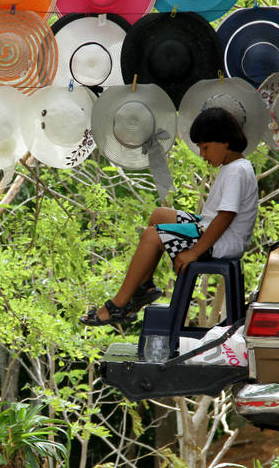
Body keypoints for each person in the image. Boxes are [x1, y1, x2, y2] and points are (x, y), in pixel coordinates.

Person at [81, 107, 258, 326]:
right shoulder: (235, 166)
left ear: (225, 141)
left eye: (205, 147)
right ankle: (145, 287)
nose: (202, 155)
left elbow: (225, 217)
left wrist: (194, 252)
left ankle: (118, 305)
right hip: (213, 230)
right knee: (159, 215)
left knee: (151, 236)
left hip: (222, 242)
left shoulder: (236, 171)